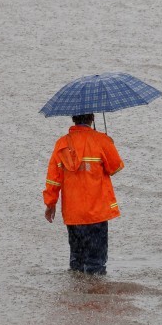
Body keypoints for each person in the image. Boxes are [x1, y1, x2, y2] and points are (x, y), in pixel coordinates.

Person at [43, 113, 124, 275]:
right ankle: (96, 290)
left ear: (73, 118)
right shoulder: (101, 140)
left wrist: (50, 204)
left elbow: (53, 179)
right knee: (96, 263)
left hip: (73, 214)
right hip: (97, 214)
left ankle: (77, 289)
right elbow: (115, 168)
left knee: (77, 262)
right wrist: (109, 143)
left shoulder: (61, 144)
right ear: (92, 118)